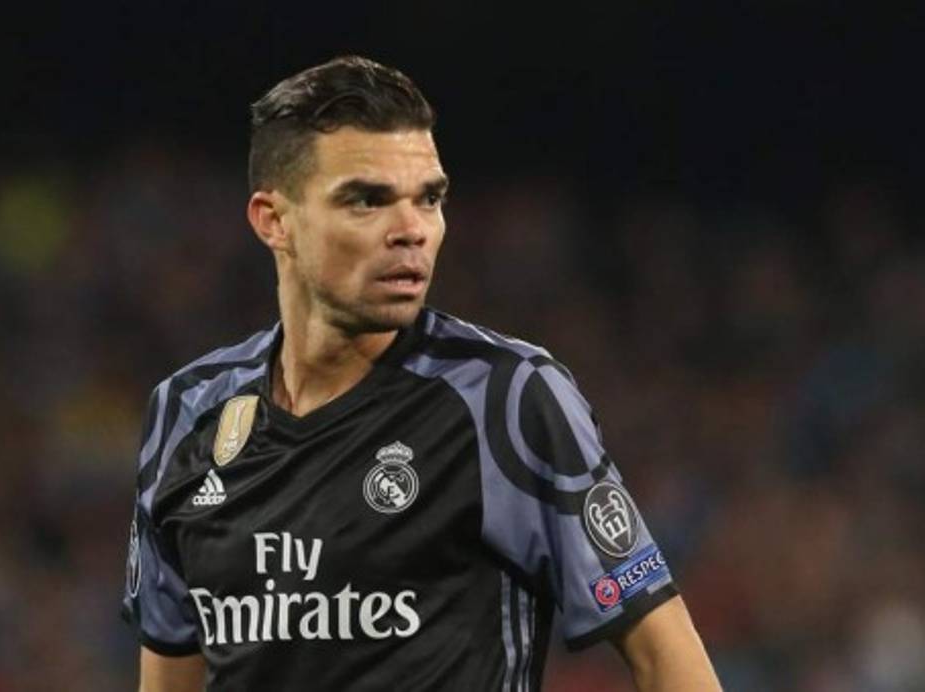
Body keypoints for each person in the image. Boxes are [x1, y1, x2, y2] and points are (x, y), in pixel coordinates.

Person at [122, 55, 720, 691]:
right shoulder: (187, 410)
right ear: (274, 220)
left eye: (429, 199)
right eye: (366, 200)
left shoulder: (506, 398)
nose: (411, 231)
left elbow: (665, 656)